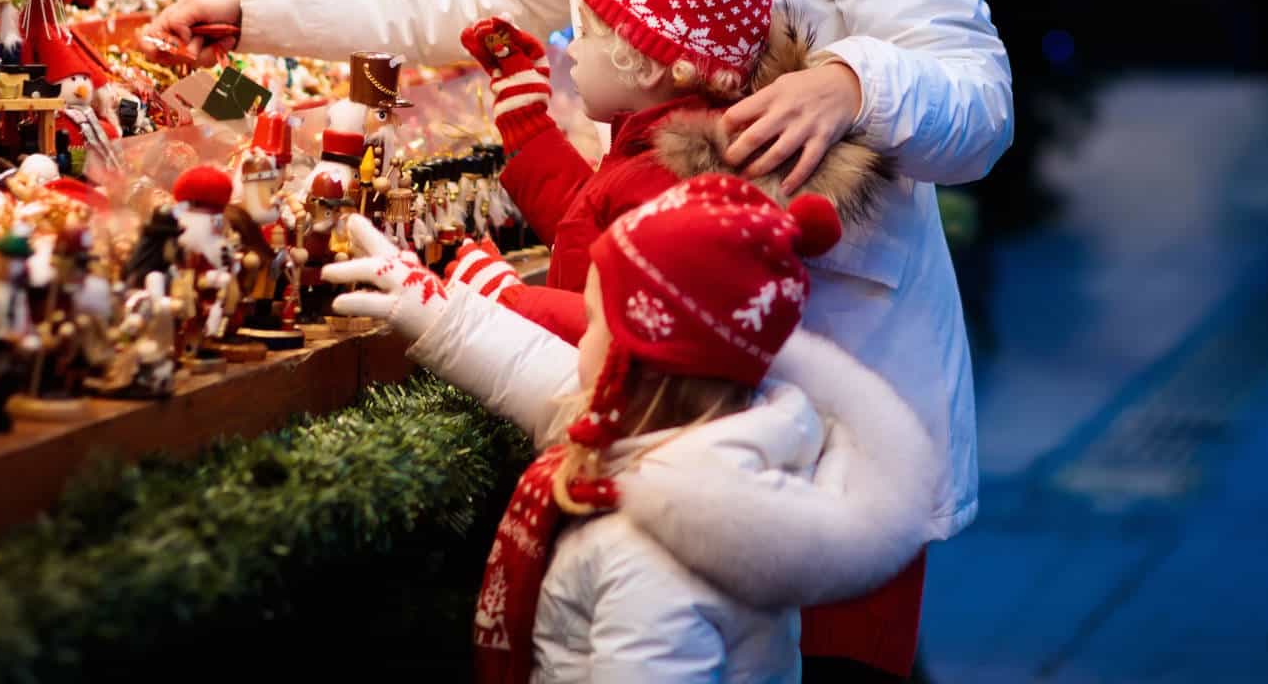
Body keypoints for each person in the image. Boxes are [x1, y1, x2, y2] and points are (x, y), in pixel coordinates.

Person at [156, 0, 1013, 677]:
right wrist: (251, 2)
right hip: (652, 384)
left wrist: (855, 81)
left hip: (834, 393)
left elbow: (980, 104)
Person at [323, 176, 940, 683]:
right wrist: (442, 311)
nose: (581, 336)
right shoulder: (704, 441)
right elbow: (544, 376)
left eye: (594, 321)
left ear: (638, 362)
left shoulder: (653, 556)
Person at [449, 0, 892, 344]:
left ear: (651, 61)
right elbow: (588, 224)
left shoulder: (668, 187)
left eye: (590, 33)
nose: (571, 48)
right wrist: (528, 124)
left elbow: (622, 329)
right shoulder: (654, 152)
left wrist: (506, 302)